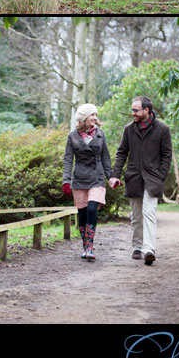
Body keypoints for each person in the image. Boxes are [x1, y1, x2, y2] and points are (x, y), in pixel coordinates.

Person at [110, 97, 173, 265]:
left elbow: (167, 155)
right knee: (136, 216)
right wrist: (115, 174)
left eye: (136, 110)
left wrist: (161, 176)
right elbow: (121, 152)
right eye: (132, 110)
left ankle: (149, 250)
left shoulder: (162, 129)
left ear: (146, 110)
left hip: (153, 179)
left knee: (149, 213)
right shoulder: (129, 129)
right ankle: (137, 246)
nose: (133, 113)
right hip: (134, 177)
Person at [62, 104, 113, 261]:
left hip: (96, 178)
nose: (96, 118)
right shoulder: (72, 136)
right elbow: (68, 159)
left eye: (96, 115)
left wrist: (111, 176)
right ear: (84, 118)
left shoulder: (100, 134)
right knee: (82, 213)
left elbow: (105, 157)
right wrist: (66, 180)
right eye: (92, 115)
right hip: (79, 179)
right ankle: (85, 246)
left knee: (92, 209)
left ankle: (90, 247)